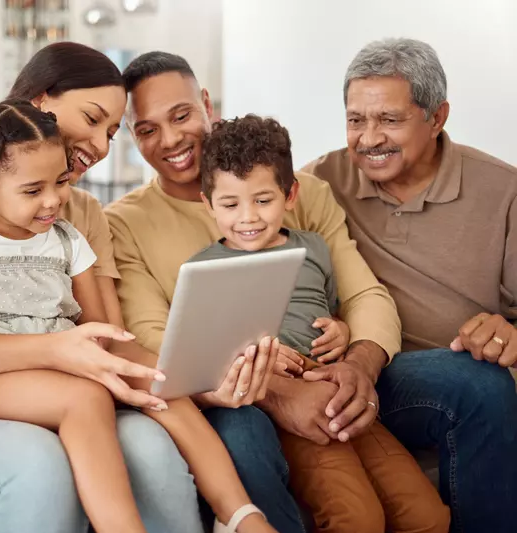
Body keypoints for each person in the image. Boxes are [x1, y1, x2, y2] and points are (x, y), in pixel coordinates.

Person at [0, 42, 279, 533]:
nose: (100, 144)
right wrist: (59, 352)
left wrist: (185, 380)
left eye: (114, 132)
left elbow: (108, 333)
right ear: (42, 99)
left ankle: (241, 517)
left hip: (75, 376)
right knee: (64, 431)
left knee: (158, 423)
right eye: (92, 119)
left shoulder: (76, 223)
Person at [106, 51, 403, 533]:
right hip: (224, 397)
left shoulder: (299, 190)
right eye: (147, 129)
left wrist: (359, 364)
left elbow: (364, 294)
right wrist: (279, 391)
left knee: (471, 386)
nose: (171, 139)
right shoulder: (123, 223)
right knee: (243, 431)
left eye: (181, 115)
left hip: (330, 373)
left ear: (206, 103)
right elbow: (159, 342)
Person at [191, 114, 449, 533]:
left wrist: (343, 331)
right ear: (208, 205)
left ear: (290, 194)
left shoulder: (312, 247)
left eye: (262, 199)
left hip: (338, 386)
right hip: (287, 397)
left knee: (427, 515)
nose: (248, 218)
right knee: (356, 518)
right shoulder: (204, 269)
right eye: (230, 204)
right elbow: (206, 352)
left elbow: (333, 309)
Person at [303, 37, 517, 533]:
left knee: (477, 381)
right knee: (475, 385)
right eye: (356, 119)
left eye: (389, 120)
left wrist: (510, 331)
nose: (369, 138)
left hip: (448, 378)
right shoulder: (318, 183)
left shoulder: (503, 192)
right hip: (356, 371)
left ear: (437, 117)